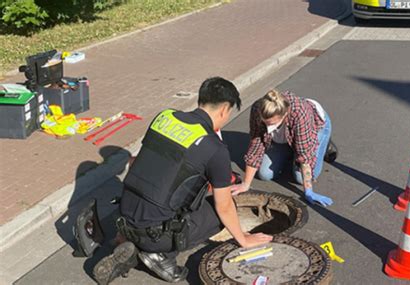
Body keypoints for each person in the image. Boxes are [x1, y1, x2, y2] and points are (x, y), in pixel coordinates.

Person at [93, 77, 272, 284]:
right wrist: (243, 239)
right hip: (156, 234)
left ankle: (129, 240)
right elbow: (224, 207)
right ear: (224, 109)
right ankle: (159, 255)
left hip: (124, 216)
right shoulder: (215, 148)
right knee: (221, 209)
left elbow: (136, 163)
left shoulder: (165, 117)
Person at [231, 90, 337, 207]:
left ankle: (323, 143)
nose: (267, 128)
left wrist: (308, 191)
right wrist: (245, 184)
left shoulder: (300, 114)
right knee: (265, 174)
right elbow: (256, 146)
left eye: (271, 123)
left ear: (284, 115)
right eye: (265, 123)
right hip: (284, 134)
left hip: (315, 126)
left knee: (299, 178)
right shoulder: (258, 109)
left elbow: (305, 155)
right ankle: (291, 146)